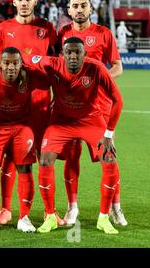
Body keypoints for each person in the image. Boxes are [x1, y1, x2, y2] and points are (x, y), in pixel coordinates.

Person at [31, 37, 123, 234]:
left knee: (110, 159)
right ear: (62, 55)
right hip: (61, 123)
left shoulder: (96, 68)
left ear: (85, 54)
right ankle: (50, 216)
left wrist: (108, 133)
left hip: (91, 120)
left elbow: (118, 100)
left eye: (77, 52)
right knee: (45, 159)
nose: (73, 56)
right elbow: (26, 61)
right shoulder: (50, 63)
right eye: (69, 52)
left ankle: (104, 218)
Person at [57, 0, 126, 226]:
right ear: (68, 9)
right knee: (72, 154)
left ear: (90, 7)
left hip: (101, 107)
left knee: (108, 155)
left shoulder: (104, 33)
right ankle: (72, 207)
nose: (79, 9)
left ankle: (116, 207)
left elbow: (118, 66)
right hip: (73, 107)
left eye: (83, 5)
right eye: (74, 5)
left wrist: (101, 78)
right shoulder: (62, 34)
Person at [0, 0, 58, 226]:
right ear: (13, 1)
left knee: (44, 155)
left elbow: (56, 60)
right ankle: (5, 208)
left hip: (40, 99)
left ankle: (48, 211)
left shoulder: (46, 28)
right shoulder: (3, 28)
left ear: (35, 1)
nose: (23, 2)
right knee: (9, 155)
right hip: (12, 101)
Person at [0, 47, 49, 233]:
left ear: (21, 64)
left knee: (25, 168)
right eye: (6, 63)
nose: (10, 67)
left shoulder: (30, 76)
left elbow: (55, 81)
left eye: (15, 63)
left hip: (21, 127)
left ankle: (24, 217)